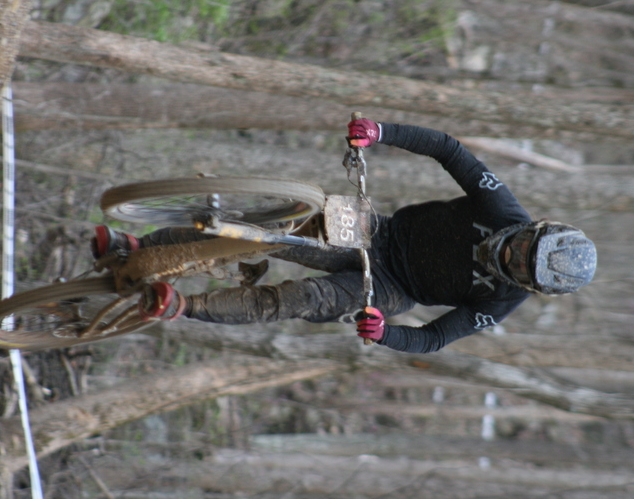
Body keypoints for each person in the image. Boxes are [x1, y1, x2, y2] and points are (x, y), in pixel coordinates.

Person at [92, 119, 597, 354]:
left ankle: (185, 307)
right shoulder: (501, 207)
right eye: (526, 244)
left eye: (521, 264)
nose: (514, 252)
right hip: (379, 231)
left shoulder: (501, 301)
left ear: (526, 284)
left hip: (392, 289)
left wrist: (385, 334)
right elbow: (449, 149)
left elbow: (436, 337)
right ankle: (138, 247)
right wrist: (381, 133)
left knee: (302, 298)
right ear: (536, 228)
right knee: (268, 231)